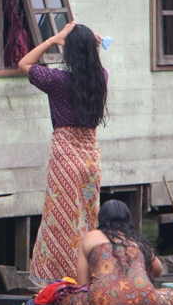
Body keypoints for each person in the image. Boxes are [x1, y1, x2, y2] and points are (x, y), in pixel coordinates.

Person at [18, 21, 107, 284]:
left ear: (68, 52)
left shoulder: (57, 80)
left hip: (66, 155)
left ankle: (60, 278)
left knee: (61, 219)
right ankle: (88, 276)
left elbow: (24, 64)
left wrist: (53, 39)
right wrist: (91, 44)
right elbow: (93, 65)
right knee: (88, 218)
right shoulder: (101, 77)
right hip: (91, 156)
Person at [55, 199, 173, 305]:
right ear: (128, 219)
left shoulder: (90, 237)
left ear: (101, 219)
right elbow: (158, 271)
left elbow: (83, 284)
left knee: (61, 297)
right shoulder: (136, 240)